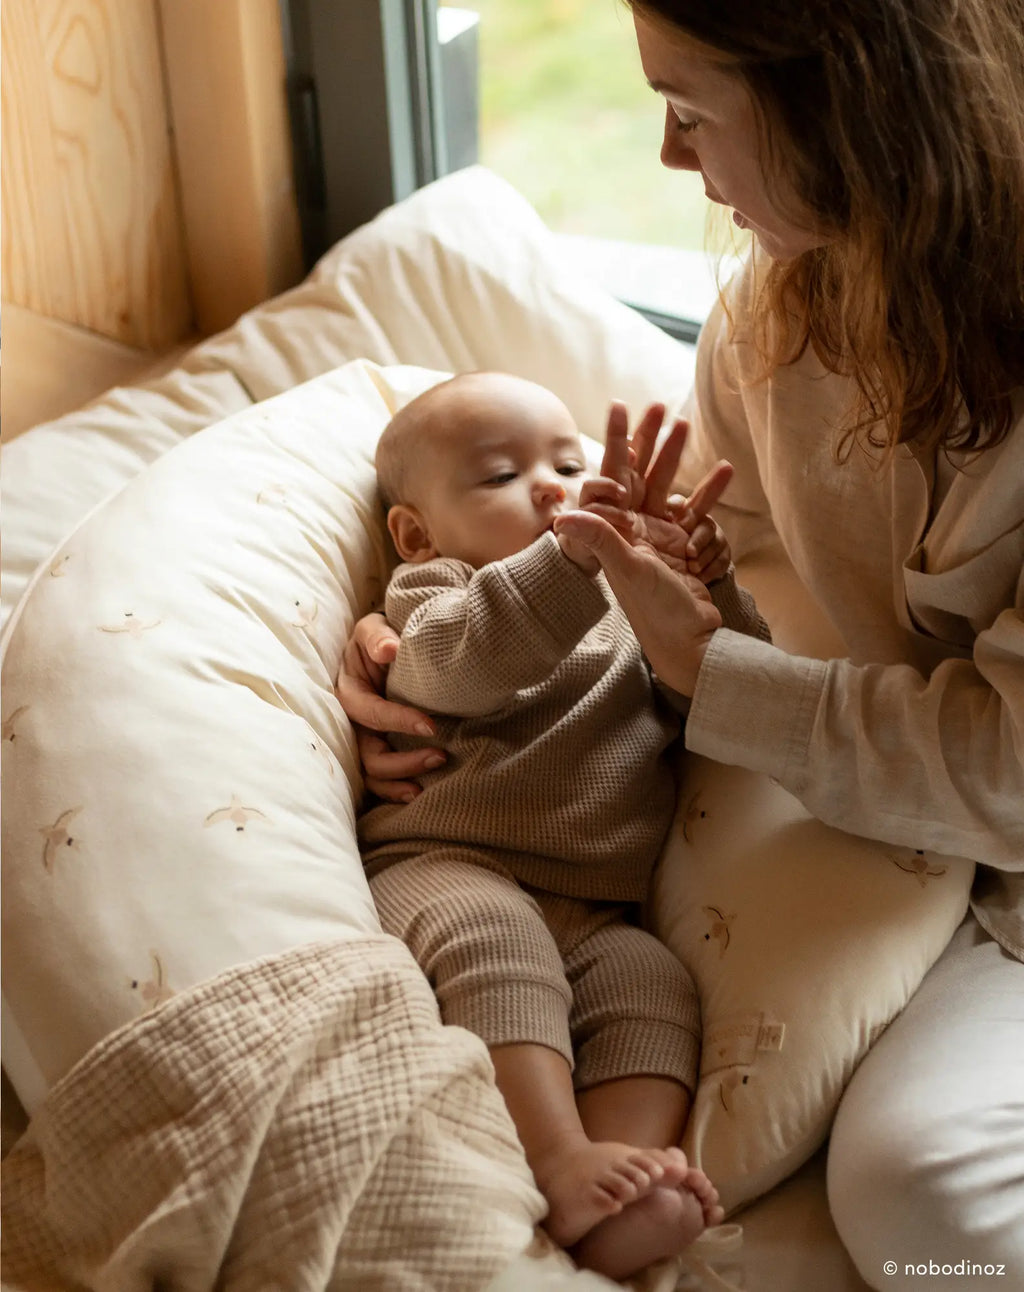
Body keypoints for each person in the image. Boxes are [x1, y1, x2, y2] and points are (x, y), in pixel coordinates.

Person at [339, 4, 1024, 1289]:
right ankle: (573, 1167)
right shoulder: (777, 322)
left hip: (984, 839)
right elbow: (667, 541)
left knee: (872, 1152)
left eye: (694, 109)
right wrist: (384, 639)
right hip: (921, 875)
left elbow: (1004, 758)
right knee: (919, 1198)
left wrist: (711, 668)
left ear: (857, 104)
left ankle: (624, 1176)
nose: (667, 156)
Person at [357, 369, 775, 1279]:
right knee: (495, 941)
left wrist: (705, 582)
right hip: (450, 863)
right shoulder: (434, 592)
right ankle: (557, 1155)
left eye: (568, 462)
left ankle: (627, 1179)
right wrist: (572, 561)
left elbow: (731, 692)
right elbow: (453, 670)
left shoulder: (635, 600)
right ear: (416, 529)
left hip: (593, 901)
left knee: (654, 987)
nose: (552, 487)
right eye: (502, 477)